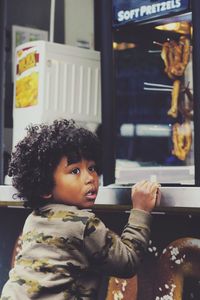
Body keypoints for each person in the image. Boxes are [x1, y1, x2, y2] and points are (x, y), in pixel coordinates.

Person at [0, 119, 161, 300]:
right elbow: (127, 263)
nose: (90, 178)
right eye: (75, 171)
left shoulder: (33, 219)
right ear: (45, 186)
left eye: (92, 168)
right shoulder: (82, 225)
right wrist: (141, 210)